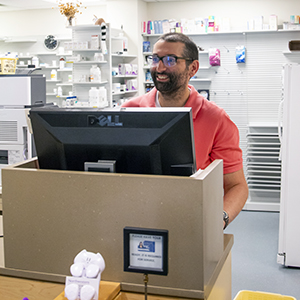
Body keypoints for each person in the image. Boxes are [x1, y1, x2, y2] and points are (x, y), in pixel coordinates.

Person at [122, 32, 248, 229]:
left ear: (193, 68)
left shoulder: (217, 119)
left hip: (192, 221)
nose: (159, 67)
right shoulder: (129, 111)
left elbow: (236, 185)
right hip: (135, 217)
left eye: (170, 60)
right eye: (155, 59)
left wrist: (219, 220)